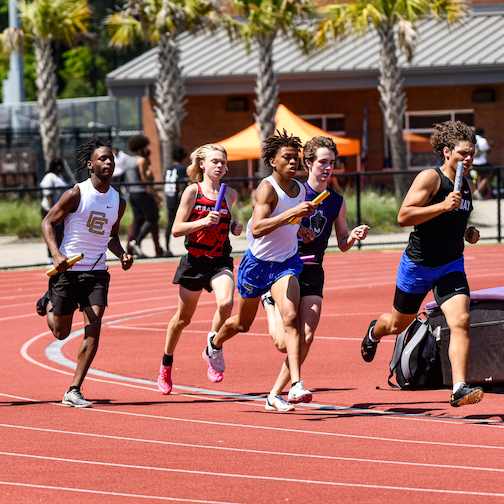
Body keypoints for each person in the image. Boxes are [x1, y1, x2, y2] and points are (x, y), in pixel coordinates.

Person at [360, 120, 484, 407]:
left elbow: (455, 222)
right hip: (419, 264)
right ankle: (373, 332)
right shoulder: (430, 178)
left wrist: (469, 233)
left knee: (461, 321)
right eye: (463, 153)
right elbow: (404, 217)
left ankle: (459, 387)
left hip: (451, 264)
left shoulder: (467, 186)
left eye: (472, 153)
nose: (469, 158)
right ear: (446, 152)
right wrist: (442, 205)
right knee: (396, 322)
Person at [203, 129, 317, 411]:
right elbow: (258, 228)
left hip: (286, 263)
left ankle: (296, 385)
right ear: (273, 161)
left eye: (296, 158)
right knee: (242, 324)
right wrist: (293, 214)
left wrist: (300, 229)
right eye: (287, 158)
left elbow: (288, 223)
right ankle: (214, 342)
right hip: (257, 264)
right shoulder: (266, 188)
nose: (294, 163)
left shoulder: (300, 189)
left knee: (291, 317)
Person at [262, 136, 370, 411]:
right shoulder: (292, 192)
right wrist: (296, 226)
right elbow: (266, 224)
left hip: (313, 270)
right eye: (322, 162)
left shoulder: (336, 201)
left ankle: (276, 393)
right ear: (308, 163)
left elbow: (342, 243)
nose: (328, 167)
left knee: (305, 337)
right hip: (285, 267)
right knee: (281, 343)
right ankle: (269, 305)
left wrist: (354, 236)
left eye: (332, 162)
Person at [36, 135, 134, 407]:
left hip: (97, 272)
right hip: (67, 271)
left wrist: (122, 253)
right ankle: (49, 302)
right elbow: (47, 222)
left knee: (95, 325)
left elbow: (111, 235)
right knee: (61, 332)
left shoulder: (118, 201)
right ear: (90, 165)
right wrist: (56, 255)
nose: (109, 162)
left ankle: (73, 389)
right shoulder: (76, 193)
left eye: (111, 158)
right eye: (103, 158)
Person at [157, 144, 243, 394]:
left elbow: (225, 223)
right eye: (215, 161)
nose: (220, 166)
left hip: (220, 260)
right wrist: (203, 221)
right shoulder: (192, 192)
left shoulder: (230, 194)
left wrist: (233, 227)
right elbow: (176, 229)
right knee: (183, 318)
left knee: (226, 303)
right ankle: (166, 363)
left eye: (223, 162)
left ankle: (212, 346)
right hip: (195, 261)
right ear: (202, 165)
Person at [124, 134, 163, 257]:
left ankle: (132, 243)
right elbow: (144, 178)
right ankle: (137, 241)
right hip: (142, 192)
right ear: (141, 148)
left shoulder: (129, 160)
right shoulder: (142, 160)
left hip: (132, 193)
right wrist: (154, 194)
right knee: (153, 218)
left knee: (138, 218)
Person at [39, 157, 69, 261]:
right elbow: (48, 195)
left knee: (60, 232)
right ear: (58, 166)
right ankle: (50, 257)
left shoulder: (59, 176)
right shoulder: (49, 177)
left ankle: (60, 255)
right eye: (62, 164)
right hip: (50, 209)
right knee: (51, 232)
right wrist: (53, 211)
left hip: (60, 210)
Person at [164, 145, 188, 257]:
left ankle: (167, 247)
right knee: (187, 221)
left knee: (170, 222)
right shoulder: (181, 169)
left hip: (169, 197)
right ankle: (190, 245)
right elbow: (181, 183)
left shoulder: (168, 168)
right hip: (178, 198)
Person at [472, 128, 493, 199]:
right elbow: (487, 150)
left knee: (479, 178)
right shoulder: (483, 140)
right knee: (488, 177)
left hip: (474, 162)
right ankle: (478, 191)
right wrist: (491, 146)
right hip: (482, 162)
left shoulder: (473, 140)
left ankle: (480, 194)